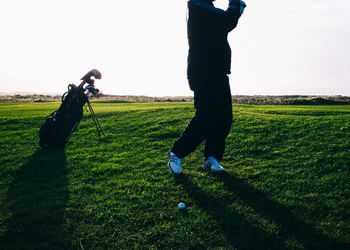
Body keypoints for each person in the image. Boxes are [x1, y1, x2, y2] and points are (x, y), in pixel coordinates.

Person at [168, 0, 246, 174]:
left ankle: (211, 158)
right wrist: (234, 5)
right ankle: (177, 153)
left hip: (218, 71)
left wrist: (236, 10)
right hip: (204, 71)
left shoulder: (208, 9)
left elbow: (227, 22)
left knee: (224, 118)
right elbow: (227, 21)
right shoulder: (197, 5)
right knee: (207, 116)